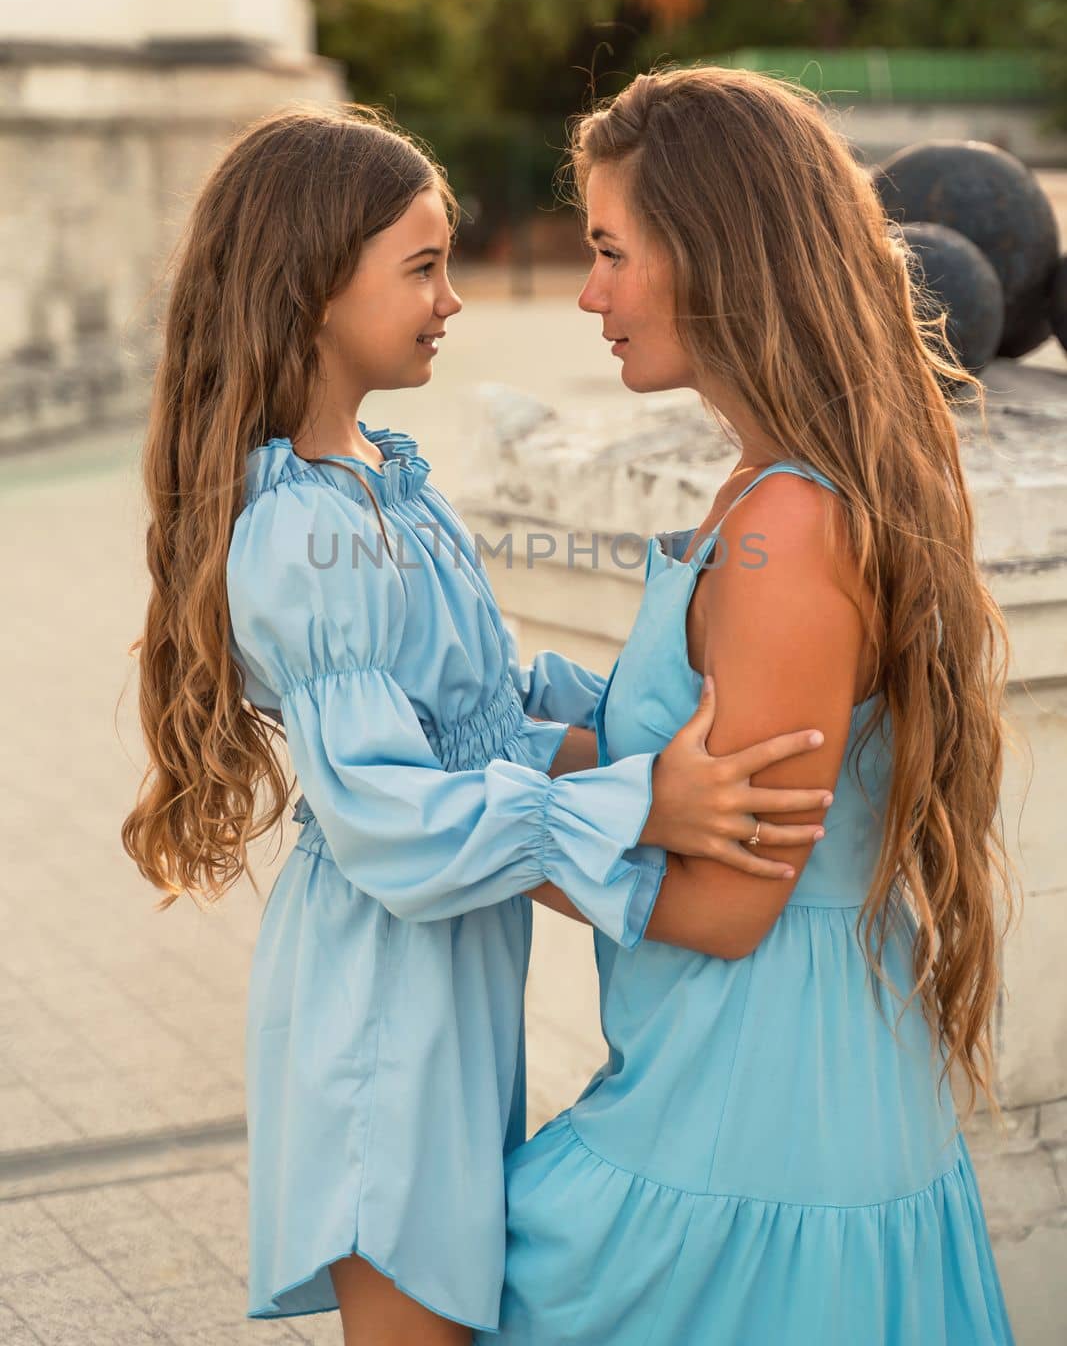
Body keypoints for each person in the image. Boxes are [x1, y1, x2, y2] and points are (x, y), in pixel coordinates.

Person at [120, 102, 836, 1345]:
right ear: (309, 287)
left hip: (445, 977)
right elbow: (389, 815)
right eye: (421, 267)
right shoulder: (298, 530)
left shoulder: (385, 483)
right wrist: (637, 801)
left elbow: (483, 714)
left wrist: (631, 726)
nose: (452, 298)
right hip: (375, 999)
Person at [479, 67, 1017, 1346]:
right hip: (746, 1099)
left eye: (610, 251)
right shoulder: (760, 487)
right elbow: (664, 768)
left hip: (755, 1135)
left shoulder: (790, 522)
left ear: (714, 252)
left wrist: (474, 831)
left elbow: (728, 902)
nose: (586, 291)